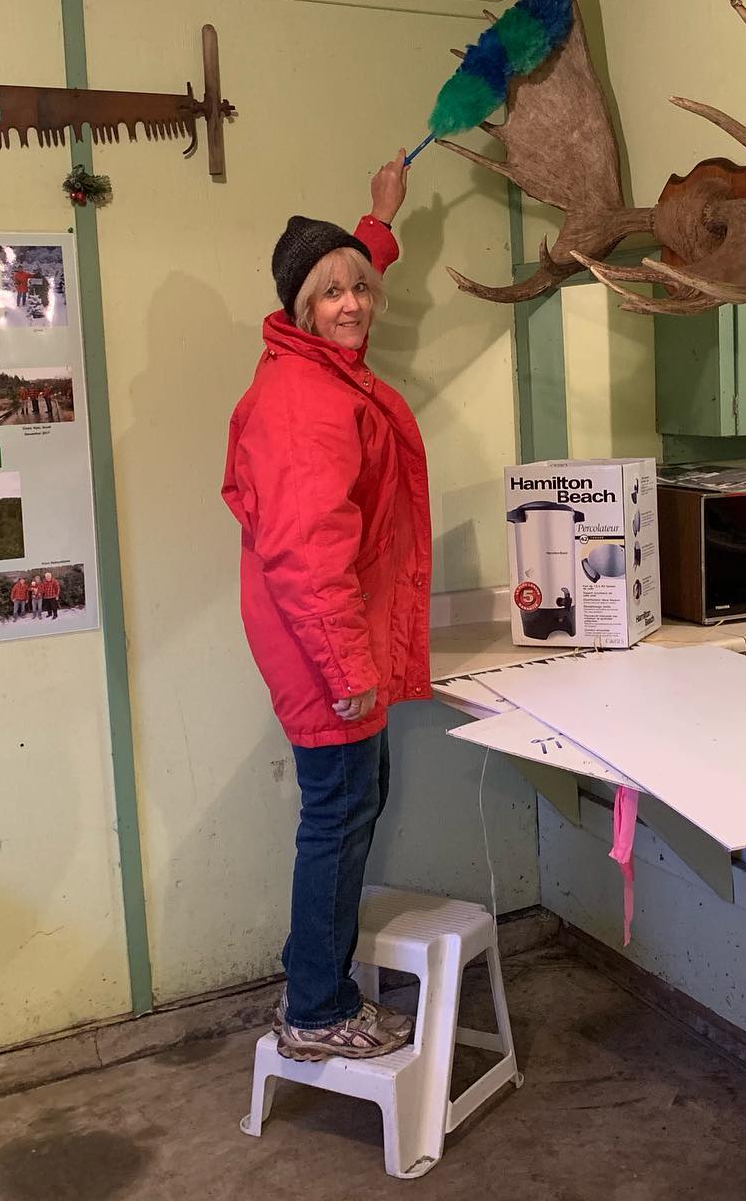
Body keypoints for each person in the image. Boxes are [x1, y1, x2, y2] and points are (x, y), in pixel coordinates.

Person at [222, 152, 431, 1064]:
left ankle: (318, 990)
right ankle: (315, 1010)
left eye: (361, 286)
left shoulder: (313, 364)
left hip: (332, 644)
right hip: (326, 651)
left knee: (351, 805)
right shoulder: (306, 401)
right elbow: (308, 559)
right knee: (339, 818)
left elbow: (345, 260)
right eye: (331, 293)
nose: (352, 303)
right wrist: (352, 677)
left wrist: (379, 214)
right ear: (299, 307)